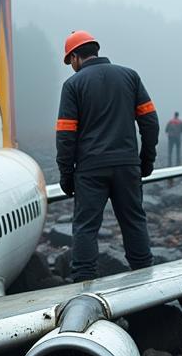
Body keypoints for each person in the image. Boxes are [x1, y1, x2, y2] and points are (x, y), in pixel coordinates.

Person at [56, 30, 159, 281]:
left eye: (71, 62)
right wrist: (146, 161)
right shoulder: (130, 76)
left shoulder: (73, 85)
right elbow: (150, 122)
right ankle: (146, 283)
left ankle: (84, 288)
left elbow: (66, 134)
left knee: (85, 227)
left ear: (76, 57)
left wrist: (66, 174)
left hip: (90, 170)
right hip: (127, 165)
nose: (72, 67)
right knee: (134, 221)